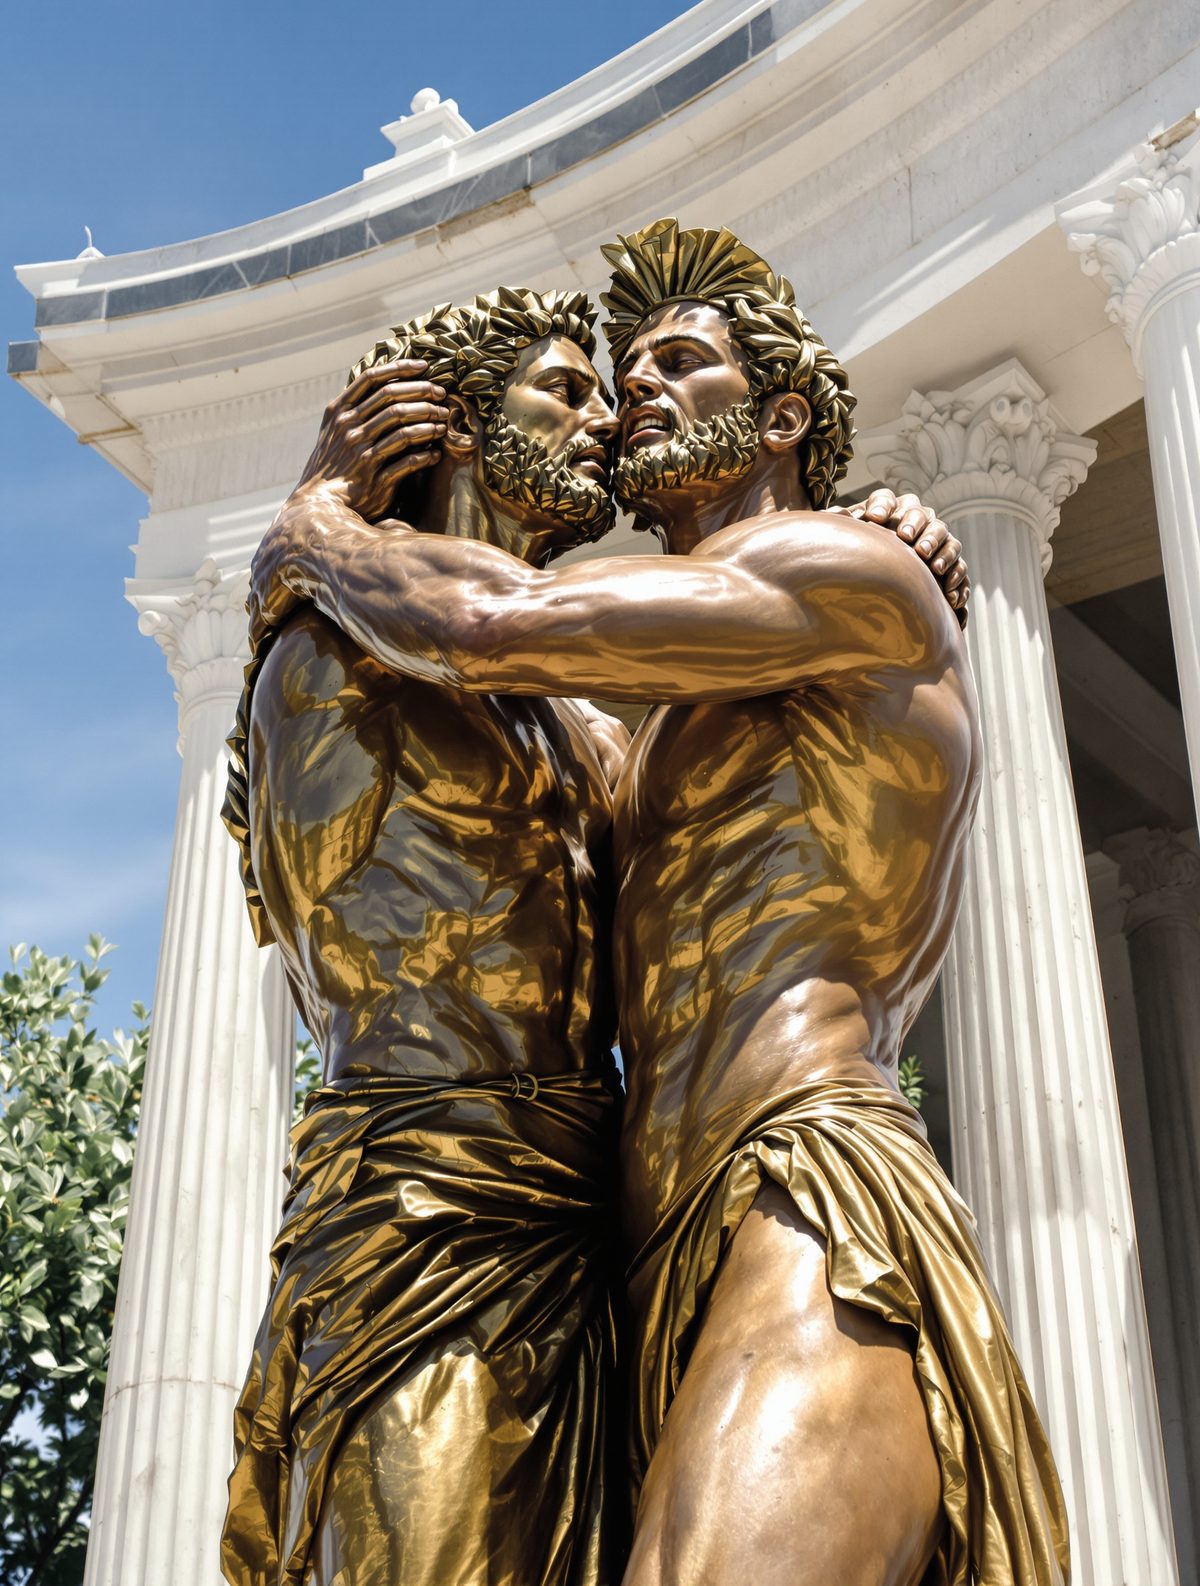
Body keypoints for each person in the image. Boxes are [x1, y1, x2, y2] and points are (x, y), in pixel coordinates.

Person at [248, 220, 1067, 1586]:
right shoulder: (641, 738)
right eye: (619, 369)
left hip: (805, 1200)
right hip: (636, 1268)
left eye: (678, 361)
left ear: (782, 416)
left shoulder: (852, 579)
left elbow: (490, 629)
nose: (635, 390)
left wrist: (315, 532)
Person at [221, 289, 629, 1586]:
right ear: (441, 423)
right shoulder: (333, 641)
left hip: (599, 1241)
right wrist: (315, 525)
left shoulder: (584, 717)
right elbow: (461, 614)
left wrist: (876, 542)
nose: (606, 419)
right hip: (422, 1233)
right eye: (565, 389)